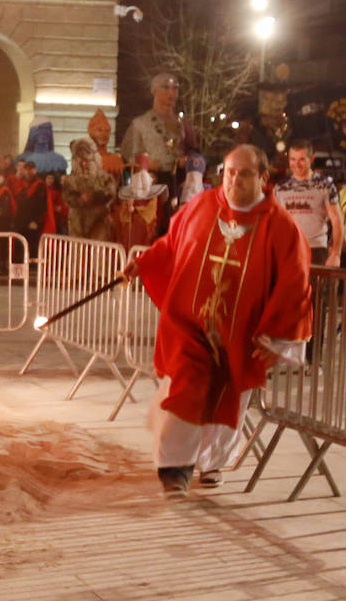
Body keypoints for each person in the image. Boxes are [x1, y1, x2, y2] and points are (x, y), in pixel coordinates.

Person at [122, 144, 312, 494]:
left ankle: (211, 463)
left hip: (241, 336)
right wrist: (145, 261)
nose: (234, 181)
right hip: (191, 325)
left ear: (264, 178)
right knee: (186, 384)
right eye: (229, 172)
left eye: (244, 174)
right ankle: (175, 468)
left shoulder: (282, 228)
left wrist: (279, 339)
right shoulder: (202, 206)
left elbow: (294, 284)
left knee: (228, 397)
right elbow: (173, 244)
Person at [273, 140, 343, 266]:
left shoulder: (325, 185)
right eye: (292, 159)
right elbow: (275, 220)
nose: (296, 164)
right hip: (288, 249)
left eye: (301, 159)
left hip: (315, 249)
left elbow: (337, 220)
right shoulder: (280, 187)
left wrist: (336, 254)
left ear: (311, 159)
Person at [121, 72, 194, 193]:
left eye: (175, 88)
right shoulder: (140, 123)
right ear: (154, 90)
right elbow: (127, 157)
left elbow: (194, 152)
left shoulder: (184, 125)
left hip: (180, 184)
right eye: (165, 87)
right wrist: (145, 163)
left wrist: (188, 161)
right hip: (152, 185)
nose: (171, 93)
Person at [61, 137, 116, 240]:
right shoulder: (71, 179)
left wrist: (94, 197)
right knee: (78, 251)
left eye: (86, 160)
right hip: (77, 223)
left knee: (98, 250)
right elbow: (67, 195)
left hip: (99, 221)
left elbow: (111, 193)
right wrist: (79, 199)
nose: (84, 164)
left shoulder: (104, 177)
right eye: (81, 161)